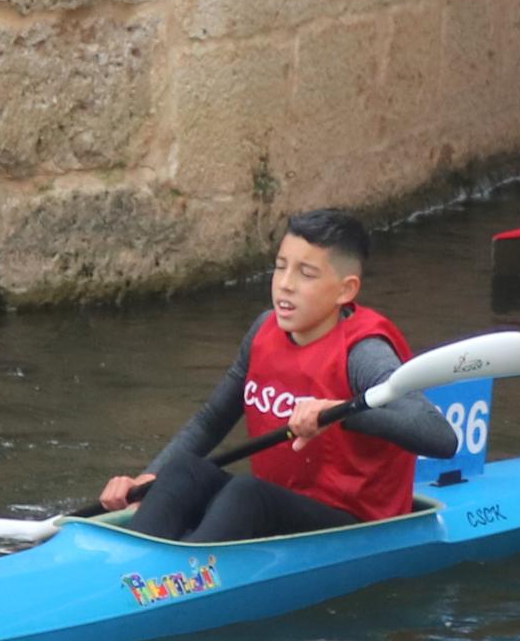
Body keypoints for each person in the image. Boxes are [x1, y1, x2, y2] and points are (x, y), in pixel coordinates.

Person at [101, 210, 461, 545]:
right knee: (183, 471)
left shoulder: (363, 354)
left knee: (246, 493)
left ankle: (170, 585)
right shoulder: (263, 331)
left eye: (306, 274)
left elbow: (440, 437)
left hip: (353, 522)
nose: (285, 285)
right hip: (281, 506)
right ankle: (126, 571)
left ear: (345, 290)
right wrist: (148, 480)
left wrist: (343, 413)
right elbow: (211, 420)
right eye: (280, 267)